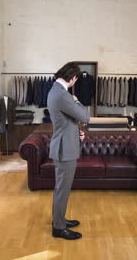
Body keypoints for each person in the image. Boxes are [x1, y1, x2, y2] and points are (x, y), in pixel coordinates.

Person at [47, 62, 90, 240]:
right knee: (62, 190)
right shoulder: (63, 95)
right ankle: (58, 228)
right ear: (72, 78)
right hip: (65, 149)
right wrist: (77, 100)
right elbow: (85, 117)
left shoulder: (55, 90)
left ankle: (60, 219)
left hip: (65, 143)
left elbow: (64, 120)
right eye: (76, 80)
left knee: (62, 188)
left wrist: (75, 131)